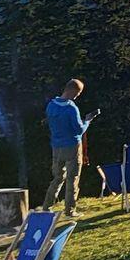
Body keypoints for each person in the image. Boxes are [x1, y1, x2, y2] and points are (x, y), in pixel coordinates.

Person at [45, 79, 94, 217]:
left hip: (56, 146)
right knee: (73, 178)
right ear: (73, 90)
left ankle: (47, 207)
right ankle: (70, 210)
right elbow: (79, 130)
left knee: (58, 177)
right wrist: (87, 121)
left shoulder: (51, 106)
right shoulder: (71, 108)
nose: (77, 96)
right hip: (72, 146)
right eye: (78, 93)